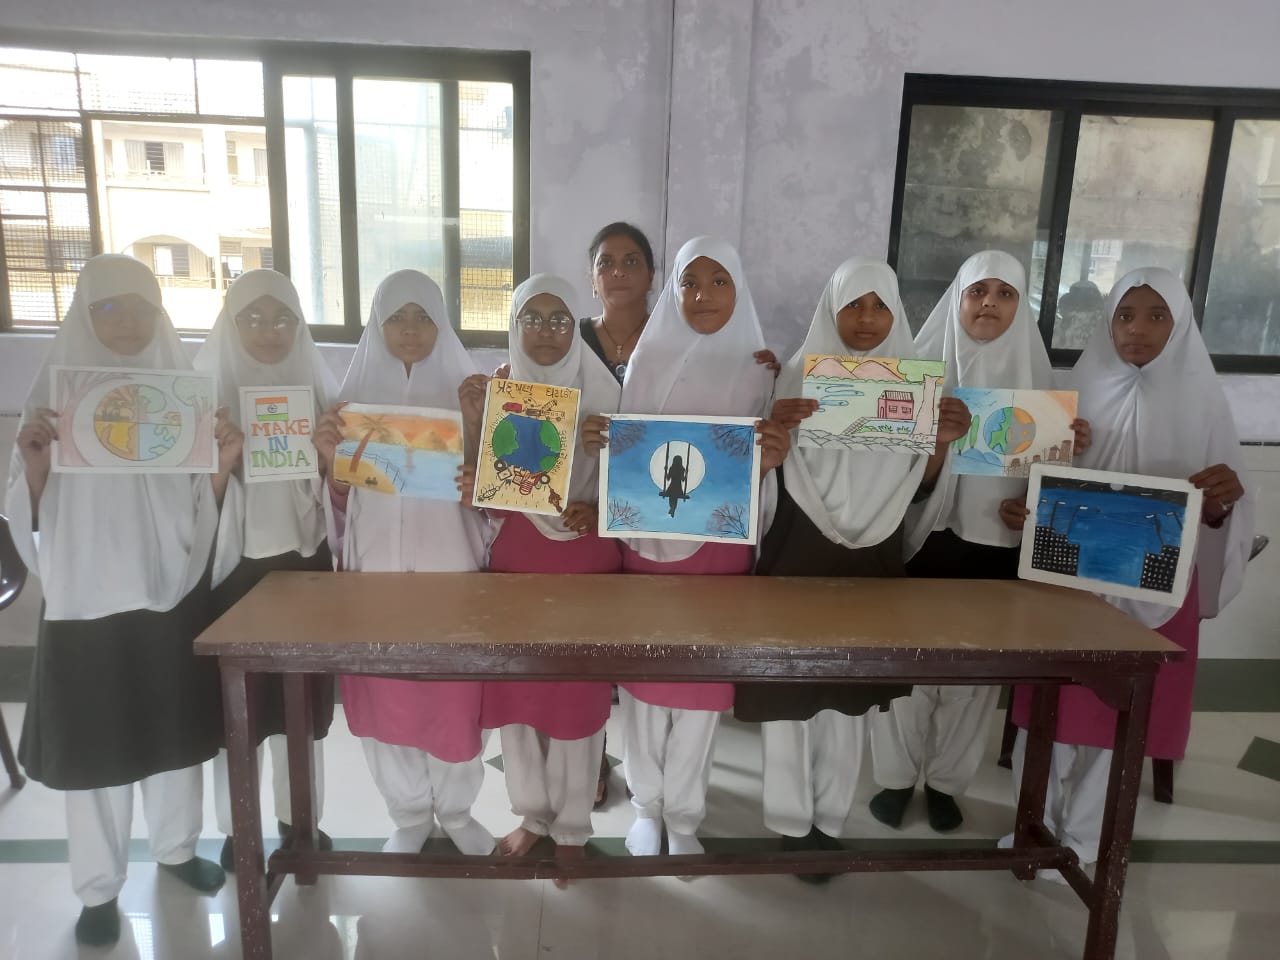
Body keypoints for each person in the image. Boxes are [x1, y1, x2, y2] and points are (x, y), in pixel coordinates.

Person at [6, 254, 241, 946]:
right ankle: (98, 888)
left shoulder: (182, 394)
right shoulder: (57, 397)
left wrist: (222, 467)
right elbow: (28, 517)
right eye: (109, 308)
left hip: (168, 594)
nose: (128, 321)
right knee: (96, 755)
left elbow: (201, 504)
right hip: (86, 604)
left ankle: (175, 850)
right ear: (85, 315)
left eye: (141, 306)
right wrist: (35, 468)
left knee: (173, 741)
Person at [1005, 267, 1253, 875]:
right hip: (1069, 582)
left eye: (1156, 315)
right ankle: (1032, 827)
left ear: (1180, 324)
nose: (1137, 329)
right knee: (1053, 708)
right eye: (1125, 315)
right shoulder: (1075, 391)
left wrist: (1222, 502)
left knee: (1120, 719)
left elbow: (1219, 509)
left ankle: (1085, 840)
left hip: (1155, 591)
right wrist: (1022, 506)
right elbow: (1033, 485)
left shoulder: (1203, 402)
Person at [735, 257, 970, 881]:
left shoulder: (913, 390)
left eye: (880, 306)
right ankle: (791, 825)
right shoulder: (793, 378)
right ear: (830, 309)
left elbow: (917, 490)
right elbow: (763, 475)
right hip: (797, 552)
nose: (866, 319)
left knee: (847, 705)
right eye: (853, 305)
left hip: (871, 562)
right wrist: (775, 437)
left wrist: (939, 443)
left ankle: (829, 824)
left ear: (897, 314)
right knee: (790, 698)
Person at [868, 250, 1087, 833]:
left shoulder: (1043, 387)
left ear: (1020, 306)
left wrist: (1035, 507)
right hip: (922, 541)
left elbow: (1054, 490)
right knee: (907, 670)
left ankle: (945, 784)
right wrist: (937, 443)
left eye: (1005, 293)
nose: (989, 303)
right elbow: (887, 476)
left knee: (972, 682)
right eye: (977, 291)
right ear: (958, 300)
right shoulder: (917, 373)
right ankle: (894, 778)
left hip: (995, 549)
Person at [585, 236, 789, 857]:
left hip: (718, 552)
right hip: (647, 546)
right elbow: (625, 450)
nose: (703, 295)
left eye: (718, 281)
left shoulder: (761, 370)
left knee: (700, 697)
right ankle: (646, 807)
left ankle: (684, 816)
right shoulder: (647, 359)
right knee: (644, 690)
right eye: (689, 282)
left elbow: (760, 462)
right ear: (672, 290)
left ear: (739, 290)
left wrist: (767, 460)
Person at [312, 269, 494, 856]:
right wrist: (332, 466)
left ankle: (458, 810)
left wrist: (475, 434)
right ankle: (409, 813)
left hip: (452, 574)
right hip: (376, 578)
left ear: (442, 324)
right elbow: (339, 506)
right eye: (396, 317)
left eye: (423, 317)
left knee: (453, 698)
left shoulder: (471, 395)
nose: (411, 330)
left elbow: (500, 501)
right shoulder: (351, 404)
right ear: (377, 325)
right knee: (386, 694)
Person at [460, 273, 621, 879]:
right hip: (519, 560)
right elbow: (486, 497)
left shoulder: (611, 395)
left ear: (575, 327)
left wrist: (600, 500)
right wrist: (475, 423)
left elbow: (642, 488)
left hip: (585, 557)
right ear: (515, 325)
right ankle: (532, 816)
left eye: (559, 319)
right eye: (533, 318)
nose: (546, 331)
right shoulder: (501, 393)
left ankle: (574, 825)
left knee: (576, 698)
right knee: (520, 697)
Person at [195, 269, 339, 870]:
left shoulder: (320, 390)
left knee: (298, 709)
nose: (269, 330)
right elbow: (182, 507)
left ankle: (300, 821)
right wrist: (222, 466)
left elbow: (344, 493)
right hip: (233, 575)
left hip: (304, 568)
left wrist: (328, 460)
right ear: (231, 323)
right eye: (252, 317)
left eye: (282, 317)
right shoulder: (201, 397)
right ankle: (238, 828)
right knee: (238, 711)